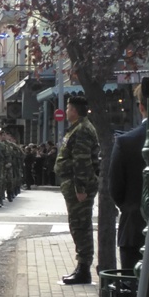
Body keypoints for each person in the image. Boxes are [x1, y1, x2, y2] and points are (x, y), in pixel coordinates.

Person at [55, 96, 100, 285]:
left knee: (80, 226)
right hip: (73, 184)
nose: (66, 112)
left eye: (68, 108)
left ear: (74, 110)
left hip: (78, 185)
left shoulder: (82, 130)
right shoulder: (78, 128)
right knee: (77, 225)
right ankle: (82, 266)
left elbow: (82, 161)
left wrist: (80, 188)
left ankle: (83, 268)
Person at [109, 85, 148, 274]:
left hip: (134, 226)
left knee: (132, 287)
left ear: (141, 107)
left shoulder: (126, 142)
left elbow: (116, 187)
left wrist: (130, 206)